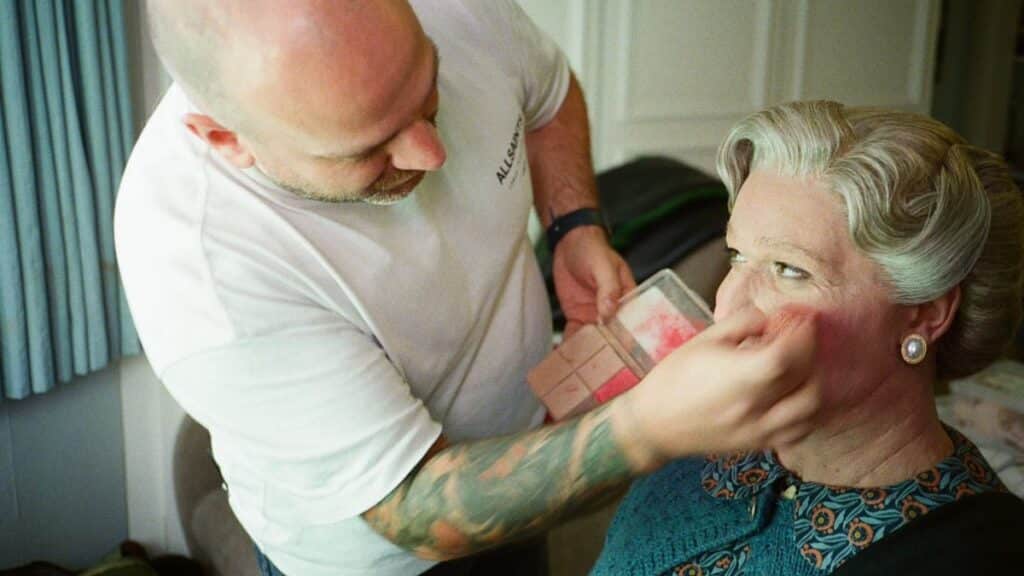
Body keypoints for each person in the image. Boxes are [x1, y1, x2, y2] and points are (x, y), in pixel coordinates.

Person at [115, 2, 824, 574]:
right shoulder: (200, 267)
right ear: (226, 139)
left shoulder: (458, 13)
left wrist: (575, 224)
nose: (433, 153)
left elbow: (548, 95)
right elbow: (414, 508)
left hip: (525, 455)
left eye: (429, 96)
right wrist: (650, 427)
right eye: (369, 148)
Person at [592, 100, 1024, 576]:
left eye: (789, 270)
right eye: (737, 256)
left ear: (924, 316)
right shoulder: (696, 449)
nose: (726, 305)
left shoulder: (974, 553)